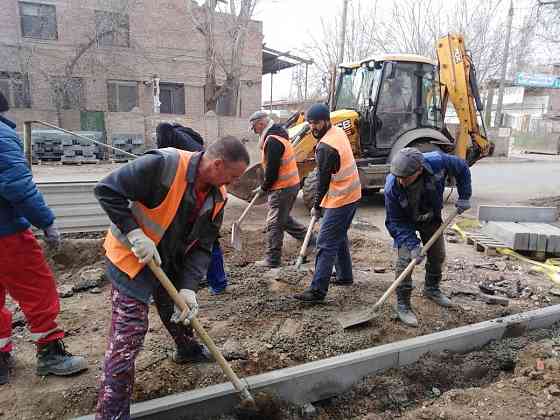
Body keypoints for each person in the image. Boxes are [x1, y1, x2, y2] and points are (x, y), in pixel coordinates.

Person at [94, 135, 249, 419]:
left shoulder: (218, 196)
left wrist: (189, 288)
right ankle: (111, 413)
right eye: (233, 176)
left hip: (168, 261)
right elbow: (106, 190)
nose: (234, 183)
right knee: (128, 337)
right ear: (217, 165)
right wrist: (134, 232)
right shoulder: (163, 165)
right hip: (132, 257)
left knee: (179, 310)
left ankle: (187, 350)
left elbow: (203, 245)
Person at [0, 91, 88, 385]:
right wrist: (46, 221)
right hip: (6, 233)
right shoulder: (1, 136)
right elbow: (16, 185)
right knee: (37, 290)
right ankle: (50, 353)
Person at [384, 147, 472, 327]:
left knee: (437, 254)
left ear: (419, 169)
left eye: (405, 177)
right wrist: (413, 244)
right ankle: (403, 304)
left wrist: (464, 195)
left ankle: (432, 289)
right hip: (405, 222)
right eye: (398, 176)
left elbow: (462, 167)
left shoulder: (438, 161)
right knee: (405, 261)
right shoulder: (392, 187)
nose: (401, 180)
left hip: (430, 215)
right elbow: (395, 222)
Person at [294, 103, 362, 302]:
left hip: (341, 198)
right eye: (310, 123)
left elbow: (322, 181)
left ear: (326, 121)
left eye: (316, 123)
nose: (313, 127)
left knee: (325, 242)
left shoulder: (326, 147)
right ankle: (344, 275)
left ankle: (317, 291)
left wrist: (316, 206)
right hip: (352, 193)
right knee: (338, 236)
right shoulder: (337, 132)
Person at [156, 122, 228, 294]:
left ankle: (176, 285)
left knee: (201, 240)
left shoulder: (175, 147)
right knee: (209, 240)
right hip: (208, 192)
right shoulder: (188, 139)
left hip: (202, 194)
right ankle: (217, 282)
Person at [249, 111, 311, 268]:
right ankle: (311, 240)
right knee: (282, 219)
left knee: (274, 223)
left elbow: (273, 170)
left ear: (261, 124)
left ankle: (272, 259)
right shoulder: (278, 133)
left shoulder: (273, 140)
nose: (254, 131)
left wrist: (264, 188)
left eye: (254, 127)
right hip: (290, 184)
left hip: (282, 188)